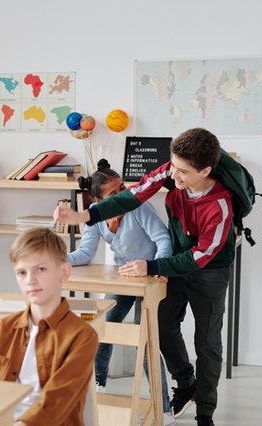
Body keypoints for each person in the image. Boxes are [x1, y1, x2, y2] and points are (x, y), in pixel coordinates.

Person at [54, 128, 234, 426]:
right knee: (160, 328)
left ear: (205, 171)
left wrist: (152, 267)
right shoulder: (172, 171)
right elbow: (133, 196)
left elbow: (201, 256)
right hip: (173, 263)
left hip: (209, 271)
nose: (172, 176)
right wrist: (83, 216)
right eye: (172, 166)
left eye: (182, 172)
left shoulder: (221, 204)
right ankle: (185, 382)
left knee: (207, 342)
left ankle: (205, 413)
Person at [68, 159, 176, 425]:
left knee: (147, 341)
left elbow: (163, 239)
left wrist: (158, 267)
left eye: (123, 188)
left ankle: (164, 409)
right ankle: (99, 388)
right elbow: (84, 253)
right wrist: (59, 260)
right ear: (98, 200)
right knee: (104, 329)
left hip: (151, 277)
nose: (122, 196)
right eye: (113, 194)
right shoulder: (95, 214)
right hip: (124, 279)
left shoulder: (137, 205)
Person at [0, 227, 98, 426]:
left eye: (40, 269)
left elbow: (57, 402)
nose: (30, 280)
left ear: (64, 272)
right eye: (21, 272)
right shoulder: (2, 329)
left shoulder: (82, 336)